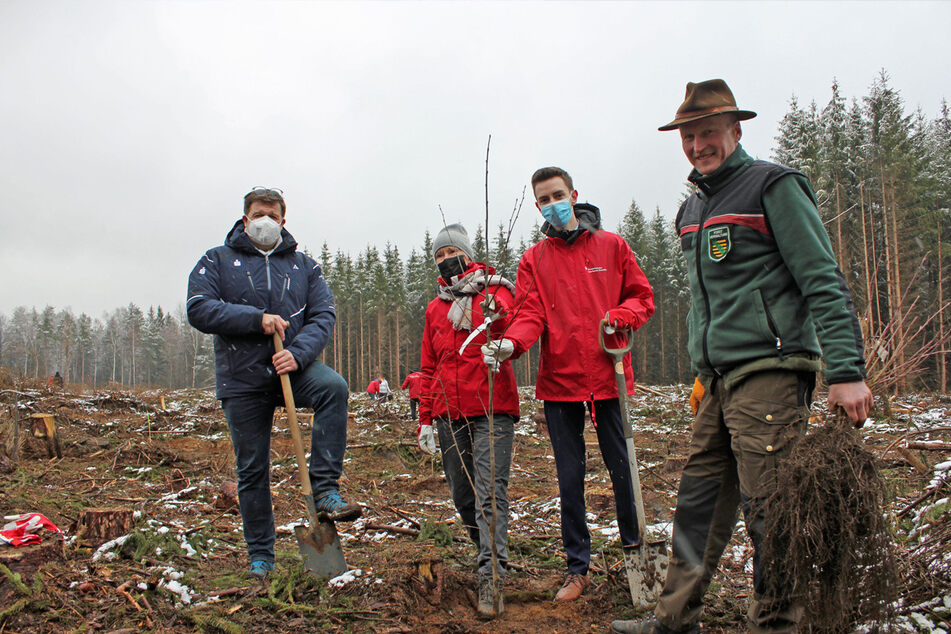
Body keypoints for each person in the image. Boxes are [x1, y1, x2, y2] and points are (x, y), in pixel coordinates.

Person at [611, 79, 873, 634]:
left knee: (771, 514)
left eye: (708, 131)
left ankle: (777, 625)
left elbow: (822, 280)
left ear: (736, 129)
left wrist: (846, 372)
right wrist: (702, 373)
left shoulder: (772, 186)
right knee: (698, 506)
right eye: (688, 135)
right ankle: (673, 620)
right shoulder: (694, 205)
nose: (697, 144)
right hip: (721, 381)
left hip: (771, 374)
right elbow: (703, 304)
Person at [481, 169, 655, 602]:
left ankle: (638, 559)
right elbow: (529, 313)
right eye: (544, 199)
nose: (552, 203)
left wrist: (621, 316)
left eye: (558, 194)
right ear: (537, 206)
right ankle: (577, 568)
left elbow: (642, 297)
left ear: (574, 195)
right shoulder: (534, 259)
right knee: (570, 478)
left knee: (623, 471)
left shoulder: (612, 247)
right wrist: (510, 344)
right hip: (560, 385)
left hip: (610, 377)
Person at [187, 186, 362, 581]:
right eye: (257, 213)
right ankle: (261, 557)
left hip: (293, 369)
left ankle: (325, 491)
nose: (264, 220)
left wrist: (297, 354)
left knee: (333, 387)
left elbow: (323, 314)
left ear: (284, 220)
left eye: (272, 214)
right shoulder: (216, 260)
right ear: (245, 219)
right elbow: (198, 308)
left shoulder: (304, 266)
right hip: (242, 378)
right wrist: (256, 319)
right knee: (252, 470)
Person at [417, 223, 520, 619]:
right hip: (447, 411)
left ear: (466, 252)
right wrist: (426, 418)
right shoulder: (435, 307)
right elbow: (429, 366)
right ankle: (488, 549)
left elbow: (516, 330)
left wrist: (500, 321)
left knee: (489, 494)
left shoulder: (495, 290)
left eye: (450, 252)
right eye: (439, 256)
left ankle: (491, 576)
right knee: (463, 495)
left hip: (492, 407)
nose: (446, 260)